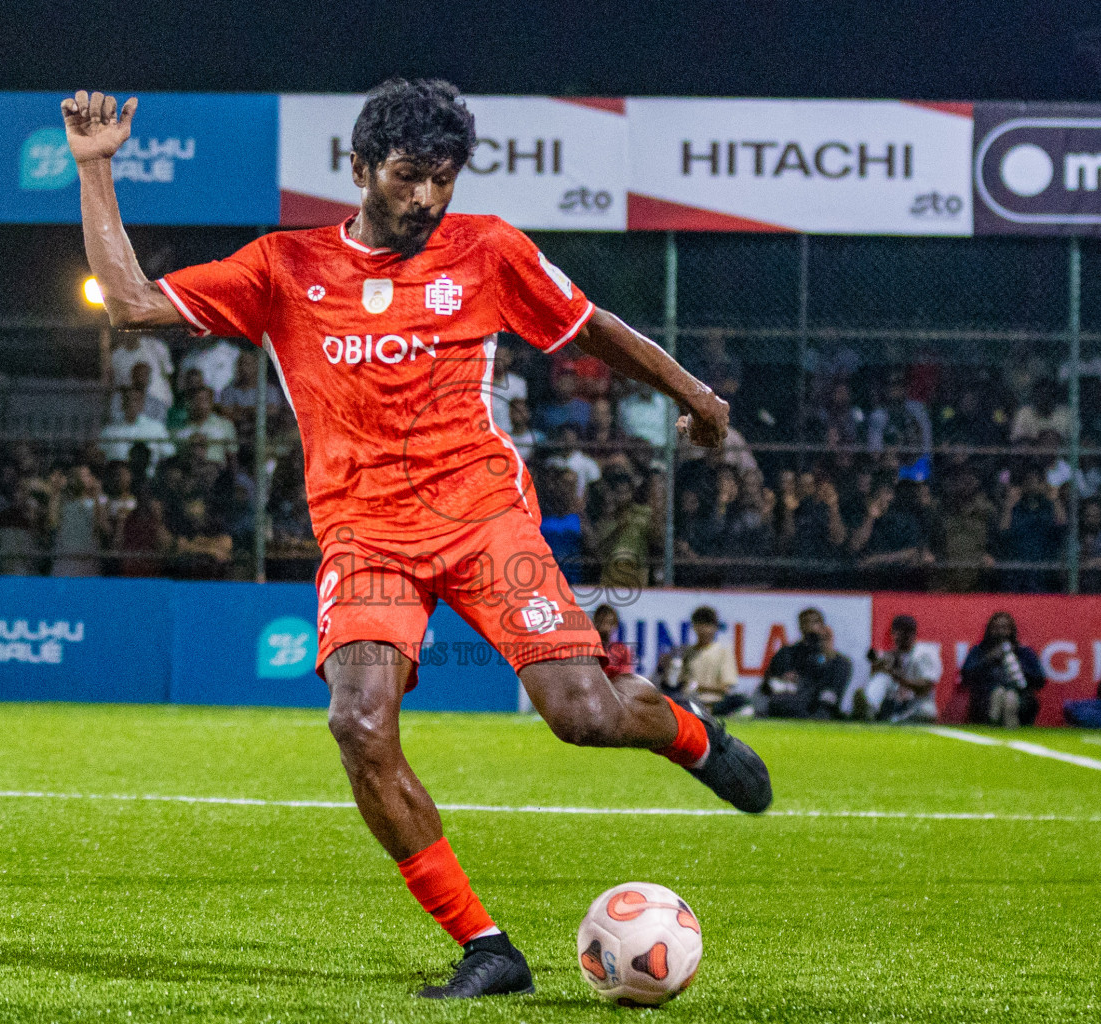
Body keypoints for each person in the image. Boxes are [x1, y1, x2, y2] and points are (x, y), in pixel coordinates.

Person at [65, 79, 770, 999]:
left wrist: (700, 400)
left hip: (483, 517)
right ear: (357, 169)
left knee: (582, 716)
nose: (427, 199)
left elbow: (590, 327)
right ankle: (489, 947)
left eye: (442, 178)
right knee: (358, 722)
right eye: (407, 177)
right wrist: (97, 168)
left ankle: (686, 735)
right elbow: (128, 302)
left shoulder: (487, 249)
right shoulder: (285, 266)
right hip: (366, 539)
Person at [756, 608, 852, 719]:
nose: (811, 626)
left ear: (823, 626)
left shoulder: (837, 661)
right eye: (806, 622)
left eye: (815, 622)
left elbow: (831, 690)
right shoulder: (787, 653)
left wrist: (828, 652)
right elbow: (770, 682)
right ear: (800, 626)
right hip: (793, 699)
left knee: (824, 705)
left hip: (820, 702)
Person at [657, 606, 751, 717]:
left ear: (715, 628)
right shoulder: (687, 652)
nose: (704, 630)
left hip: (715, 702)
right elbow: (675, 683)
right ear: (694, 627)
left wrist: (698, 686)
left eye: (708, 626)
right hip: (689, 702)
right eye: (700, 625)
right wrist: (668, 669)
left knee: (741, 701)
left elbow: (726, 687)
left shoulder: (722, 651)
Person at [845, 614, 939, 723]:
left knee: (927, 711)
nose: (900, 636)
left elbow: (926, 687)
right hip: (894, 704)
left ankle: (890, 719)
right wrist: (879, 668)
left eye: (906, 632)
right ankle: (868, 708)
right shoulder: (891, 654)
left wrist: (895, 675)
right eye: (897, 632)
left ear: (914, 634)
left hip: (916, 704)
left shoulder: (925, 653)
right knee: (881, 677)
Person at [960, 611, 1045, 727]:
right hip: (985, 696)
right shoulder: (979, 651)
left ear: (1011, 630)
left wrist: (1017, 666)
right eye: (996, 628)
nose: (1000, 632)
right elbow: (966, 676)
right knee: (998, 694)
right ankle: (993, 724)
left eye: (1005, 628)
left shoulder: (1024, 652)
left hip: (1019, 695)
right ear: (989, 630)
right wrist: (989, 659)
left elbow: (1039, 680)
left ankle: (1012, 732)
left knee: (1010, 698)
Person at [100, 386, 175, 474]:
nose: (131, 404)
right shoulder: (110, 431)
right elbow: (100, 455)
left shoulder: (156, 428)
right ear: (122, 403)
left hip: (148, 479)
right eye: (127, 399)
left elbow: (170, 454)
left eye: (135, 400)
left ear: (141, 404)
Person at [591, 603, 634, 680]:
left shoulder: (623, 651)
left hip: (616, 690)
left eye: (608, 623)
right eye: (601, 622)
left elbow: (626, 678)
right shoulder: (588, 650)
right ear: (595, 623)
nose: (605, 627)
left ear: (615, 625)